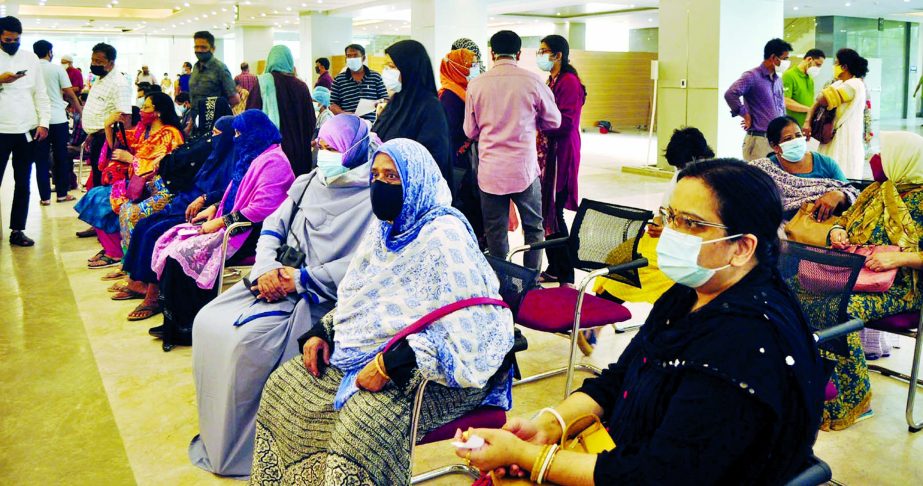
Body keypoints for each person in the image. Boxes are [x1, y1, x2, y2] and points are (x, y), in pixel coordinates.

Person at [459, 159, 825, 485]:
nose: (670, 232)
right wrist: (548, 424)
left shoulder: (743, 341)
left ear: (742, 247)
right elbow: (621, 378)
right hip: (630, 452)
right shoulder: (687, 294)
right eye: (670, 217)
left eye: (692, 224)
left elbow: (656, 474)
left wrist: (531, 459)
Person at [248, 138, 514, 485]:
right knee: (285, 385)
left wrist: (390, 363)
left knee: (363, 424)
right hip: (373, 352)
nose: (379, 185)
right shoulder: (384, 231)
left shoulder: (444, 238)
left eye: (391, 177)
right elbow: (360, 299)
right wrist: (323, 331)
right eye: (375, 175)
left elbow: (472, 332)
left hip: (443, 373)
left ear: (415, 181)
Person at [189, 114, 376, 477]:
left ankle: (249, 447)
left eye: (332, 149)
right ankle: (219, 433)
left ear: (354, 151)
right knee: (208, 320)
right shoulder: (308, 183)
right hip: (275, 281)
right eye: (319, 147)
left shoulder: (372, 197)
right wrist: (265, 269)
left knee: (247, 343)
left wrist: (301, 279)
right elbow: (273, 227)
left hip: (321, 296)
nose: (323, 155)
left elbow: (363, 265)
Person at [151, 110, 295, 351]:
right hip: (230, 224)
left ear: (255, 133)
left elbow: (262, 209)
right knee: (171, 242)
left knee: (182, 254)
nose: (236, 138)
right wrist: (215, 208)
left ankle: (187, 325)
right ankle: (174, 320)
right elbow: (236, 194)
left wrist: (219, 223)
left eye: (240, 133)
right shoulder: (254, 155)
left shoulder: (275, 163)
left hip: (251, 234)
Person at [818, 131, 923, 430]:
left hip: (903, 289)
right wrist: (837, 232)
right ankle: (819, 382)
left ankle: (854, 398)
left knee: (840, 310)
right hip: (856, 276)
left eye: (883, 153)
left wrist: (900, 258)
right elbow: (845, 220)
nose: (875, 159)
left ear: (903, 159)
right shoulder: (876, 191)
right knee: (800, 295)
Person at [117, 116, 236, 321]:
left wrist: (205, 198)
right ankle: (138, 281)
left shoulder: (234, 159)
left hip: (201, 211)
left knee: (155, 233)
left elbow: (229, 192)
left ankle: (153, 295)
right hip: (185, 203)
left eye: (217, 135)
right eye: (213, 134)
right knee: (144, 224)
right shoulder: (214, 155)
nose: (213, 139)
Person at [465, 30, 561, 270]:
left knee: (495, 231)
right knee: (533, 228)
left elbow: (470, 131)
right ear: (519, 53)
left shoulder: (476, 84)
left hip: (490, 172)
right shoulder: (533, 81)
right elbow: (555, 122)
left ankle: (503, 283)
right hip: (524, 170)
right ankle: (530, 282)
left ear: (492, 53)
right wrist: (533, 123)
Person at [593, 127, 714, 305]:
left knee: (635, 267)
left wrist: (668, 229)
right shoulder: (684, 173)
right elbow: (664, 210)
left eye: (681, 165)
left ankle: (598, 320)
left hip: (685, 248)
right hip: (667, 239)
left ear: (696, 157)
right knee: (618, 259)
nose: (679, 169)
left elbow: (704, 229)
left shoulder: (710, 182)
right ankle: (598, 319)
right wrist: (659, 223)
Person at [77, 92, 182, 270]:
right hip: (135, 183)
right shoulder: (145, 131)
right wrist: (108, 126)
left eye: (146, 107)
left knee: (101, 201)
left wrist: (130, 159)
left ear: (158, 112)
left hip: (152, 188)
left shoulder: (170, 135)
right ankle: (113, 249)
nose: (141, 111)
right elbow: (120, 145)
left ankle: (116, 253)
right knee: (93, 196)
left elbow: (160, 166)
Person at [536, 34, 586, 285]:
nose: (541, 55)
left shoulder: (569, 82)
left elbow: (565, 123)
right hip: (552, 150)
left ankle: (564, 270)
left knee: (554, 212)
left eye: (545, 51)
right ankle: (555, 266)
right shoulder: (554, 79)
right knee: (548, 212)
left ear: (558, 55)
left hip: (561, 153)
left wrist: (538, 122)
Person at [373, 40, 452, 190]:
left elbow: (433, 158)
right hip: (386, 185)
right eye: (386, 66)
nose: (386, 72)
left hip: (411, 190)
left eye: (391, 67)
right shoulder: (397, 100)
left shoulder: (430, 107)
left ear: (410, 69)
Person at [0, 15, 50, 247]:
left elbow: (40, 93)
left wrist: (44, 123)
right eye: (8, 39)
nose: (13, 43)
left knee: (23, 181)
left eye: (17, 39)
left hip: (26, 129)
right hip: (1, 129)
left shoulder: (30, 59)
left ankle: (17, 229)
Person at [750, 116, 858, 220]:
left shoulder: (826, 163)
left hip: (822, 228)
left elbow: (852, 193)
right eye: (788, 139)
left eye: (798, 135)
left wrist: (838, 195)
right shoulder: (764, 169)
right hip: (780, 230)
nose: (796, 141)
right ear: (775, 146)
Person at [246, 45, 316, 176]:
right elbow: (311, 122)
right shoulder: (301, 87)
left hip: (271, 154)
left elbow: (250, 120)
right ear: (290, 61)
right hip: (299, 153)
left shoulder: (262, 85)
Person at [804, 48, 870, 180]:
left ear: (844, 67)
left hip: (845, 137)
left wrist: (823, 94)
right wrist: (808, 120)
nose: (834, 66)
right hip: (833, 135)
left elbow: (822, 99)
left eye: (836, 63)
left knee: (840, 173)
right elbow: (819, 101)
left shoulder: (854, 84)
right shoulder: (840, 83)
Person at [438, 47, 482, 240]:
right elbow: (452, 129)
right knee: (466, 200)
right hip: (459, 159)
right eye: (470, 65)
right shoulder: (449, 95)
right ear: (457, 68)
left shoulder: (465, 90)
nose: (475, 68)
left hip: (470, 155)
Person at [724, 38, 791, 161]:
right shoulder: (752, 76)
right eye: (785, 58)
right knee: (757, 179)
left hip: (777, 141)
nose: (787, 62)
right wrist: (745, 114)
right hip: (759, 140)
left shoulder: (778, 80)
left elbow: (781, 108)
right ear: (773, 58)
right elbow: (730, 94)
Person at [32, 39, 81, 205]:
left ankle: (45, 198)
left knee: (41, 160)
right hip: (58, 119)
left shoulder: (31, 69)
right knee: (61, 158)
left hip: (38, 121)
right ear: (49, 52)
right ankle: (61, 194)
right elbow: (70, 94)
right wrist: (80, 111)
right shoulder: (57, 69)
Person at [82, 42, 132, 189]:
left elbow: (125, 118)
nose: (94, 64)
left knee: (104, 182)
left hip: (108, 140)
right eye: (92, 60)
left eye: (98, 61)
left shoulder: (119, 83)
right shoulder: (101, 77)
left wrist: (115, 145)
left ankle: (103, 211)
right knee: (97, 178)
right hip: (97, 137)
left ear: (111, 63)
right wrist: (91, 134)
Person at [330, 43, 388, 123]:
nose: (352, 58)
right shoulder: (338, 79)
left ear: (363, 58)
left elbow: (385, 99)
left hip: (372, 124)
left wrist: (379, 103)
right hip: (348, 124)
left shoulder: (375, 77)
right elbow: (333, 104)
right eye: (349, 56)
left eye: (355, 55)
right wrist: (343, 114)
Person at [189, 31, 239, 115]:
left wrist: (219, 112)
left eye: (203, 47)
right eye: (196, 47)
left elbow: (235, 99)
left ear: (212, 49)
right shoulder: (195, 67)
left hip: (214, 121)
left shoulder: (220, 68)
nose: (199, 50)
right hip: (196, 120)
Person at [783, 49, 825, 127]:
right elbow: (786, 101)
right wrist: (809, 109)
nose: (818, 68)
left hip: (807, 126)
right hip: (793, 126)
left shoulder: (810, 79)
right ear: (809, 59)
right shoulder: (789, 75)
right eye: (817, 64)